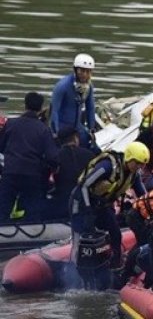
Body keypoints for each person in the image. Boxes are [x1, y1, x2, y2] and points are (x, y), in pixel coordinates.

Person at [70, 141, 149, 270]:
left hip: (101, 204)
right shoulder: (107, 166)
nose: (139, 167)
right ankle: (74, 268)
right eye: (137, 163)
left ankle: (115, 266)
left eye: (142, 165)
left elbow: (143, 195)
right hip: (82, 202)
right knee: (79, 237)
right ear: (129, 157)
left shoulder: (134, 175)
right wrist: (89, 209)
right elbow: (83, 185)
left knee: (116, 234)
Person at [0, 92, 59, 222]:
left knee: (3, 209)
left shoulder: (10, 124)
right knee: (32, 211)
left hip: (10, 172)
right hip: (31, 175)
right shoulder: (43, 129)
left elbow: (1, 146)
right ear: (40, 109)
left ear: (24, 105)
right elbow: (52, 157)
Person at [50, 53, 97, 151]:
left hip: (77, 127)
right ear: (76, 70)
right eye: (82, 71)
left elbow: (90, 108)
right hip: (63, 128)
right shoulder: (62, 86)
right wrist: (55, 133)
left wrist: (91, 129)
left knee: (93, 150)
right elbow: (54, 111)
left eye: (88, 71)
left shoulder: (89, 87)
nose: (85, 75)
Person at [47, 126, 95, 219]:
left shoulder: (56, 156)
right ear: (76, 138)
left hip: (62, 203)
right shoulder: (89, 155)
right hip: (85, 203)